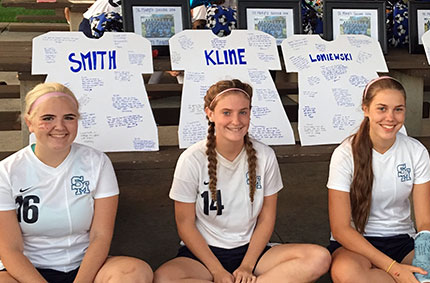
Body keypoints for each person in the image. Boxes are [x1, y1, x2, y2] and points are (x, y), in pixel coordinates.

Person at [154, 79, 331, 283]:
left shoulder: (264, 156)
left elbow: (266, 218)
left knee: (318, 258)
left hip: (252, 252)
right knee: (162, 278)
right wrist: (217, 271)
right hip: (203, 256)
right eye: (226, 112)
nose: (236, 121)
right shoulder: (192, 159)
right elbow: (184, 223)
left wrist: (247, 266)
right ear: (210, 114)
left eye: (243, 112)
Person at [327, 76, 430, 283]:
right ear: (366, 109)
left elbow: (425, 222)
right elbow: (341, 229)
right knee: (346, 273)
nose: (390, 117)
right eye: (382, 108)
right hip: (356, 246)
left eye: (398, 109)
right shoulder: (345, 154)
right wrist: (394, 269)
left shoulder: (415, 151)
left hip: (402, 242)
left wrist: (423, 262)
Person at [0, 82, 153, 283]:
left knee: (135, 271)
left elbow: (100, 236)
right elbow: (10, 249)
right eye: (48, 118)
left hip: (84, 267)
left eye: (69, 118)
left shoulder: (96, 162)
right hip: (29, 271)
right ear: (30, 122)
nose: (60, 127)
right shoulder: (7, 171)